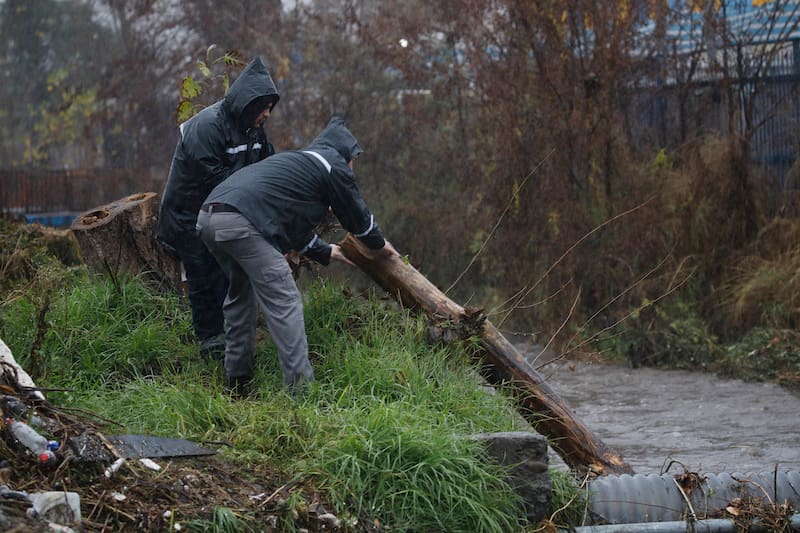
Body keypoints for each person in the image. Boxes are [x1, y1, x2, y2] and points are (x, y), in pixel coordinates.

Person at [197, 116, 399, 397]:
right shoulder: (331, 164)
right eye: (353, 161)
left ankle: (237, 384)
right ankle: (301, 393)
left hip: (209, 218)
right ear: (345, 154)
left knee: (241, 296)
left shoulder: (295, 165)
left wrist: (329, 251)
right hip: (240, 221)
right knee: (285, 300)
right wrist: (378, 244)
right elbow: (357, 216)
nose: (352, 168)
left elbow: (292, 226)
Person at [156, 57, 280, 360]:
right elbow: (217, 181)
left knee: (227, 274)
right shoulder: (206, 127)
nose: (267, 114)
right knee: (202, 275)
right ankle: (210, 342)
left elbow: (268, 168)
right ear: (248, 102)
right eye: (263, 106)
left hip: (223, 213)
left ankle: (231, 337)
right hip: (188, 214)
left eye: (270, 108)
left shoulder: (253, 130)